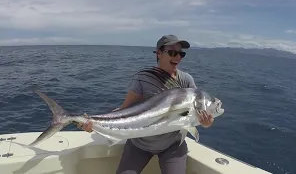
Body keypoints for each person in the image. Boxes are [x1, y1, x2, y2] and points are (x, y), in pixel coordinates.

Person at [77, 34, 214, 174]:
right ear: (159, 53)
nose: (177, 57)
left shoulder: (186, 80)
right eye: (172, 52)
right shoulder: (143, 77)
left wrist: (206, 123)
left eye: (181, 53)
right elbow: (125, 109)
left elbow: (195, 116)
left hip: (173, 145)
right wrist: (92, 123)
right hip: (140, 143)